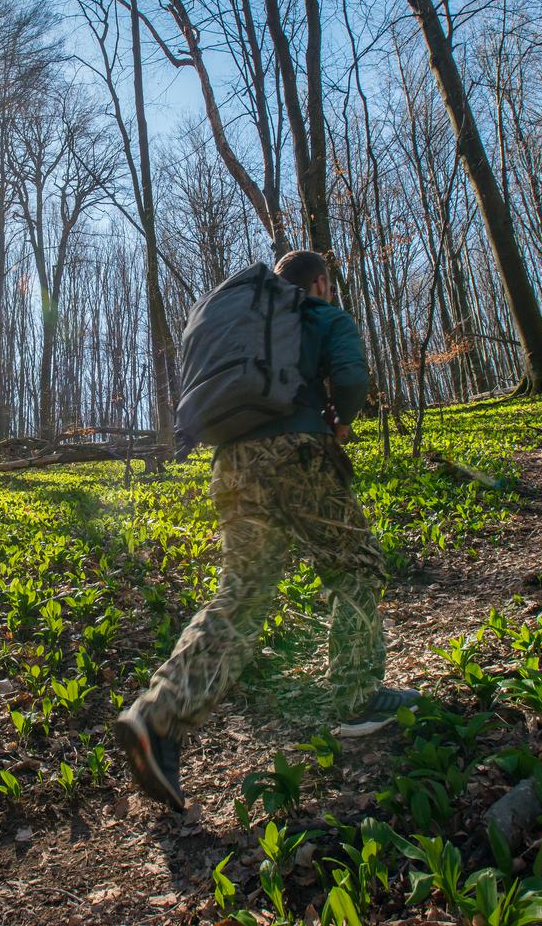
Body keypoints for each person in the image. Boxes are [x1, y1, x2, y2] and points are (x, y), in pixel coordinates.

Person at [114, 250, 419, 812]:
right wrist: (343, 422)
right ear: (320, 281)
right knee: (356, 563)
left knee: (244, 591)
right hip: (296, 452)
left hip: (231, 462)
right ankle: (358, 698)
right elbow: (351, 375)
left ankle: (158, 715)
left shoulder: (246, 318)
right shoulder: (323, 313)